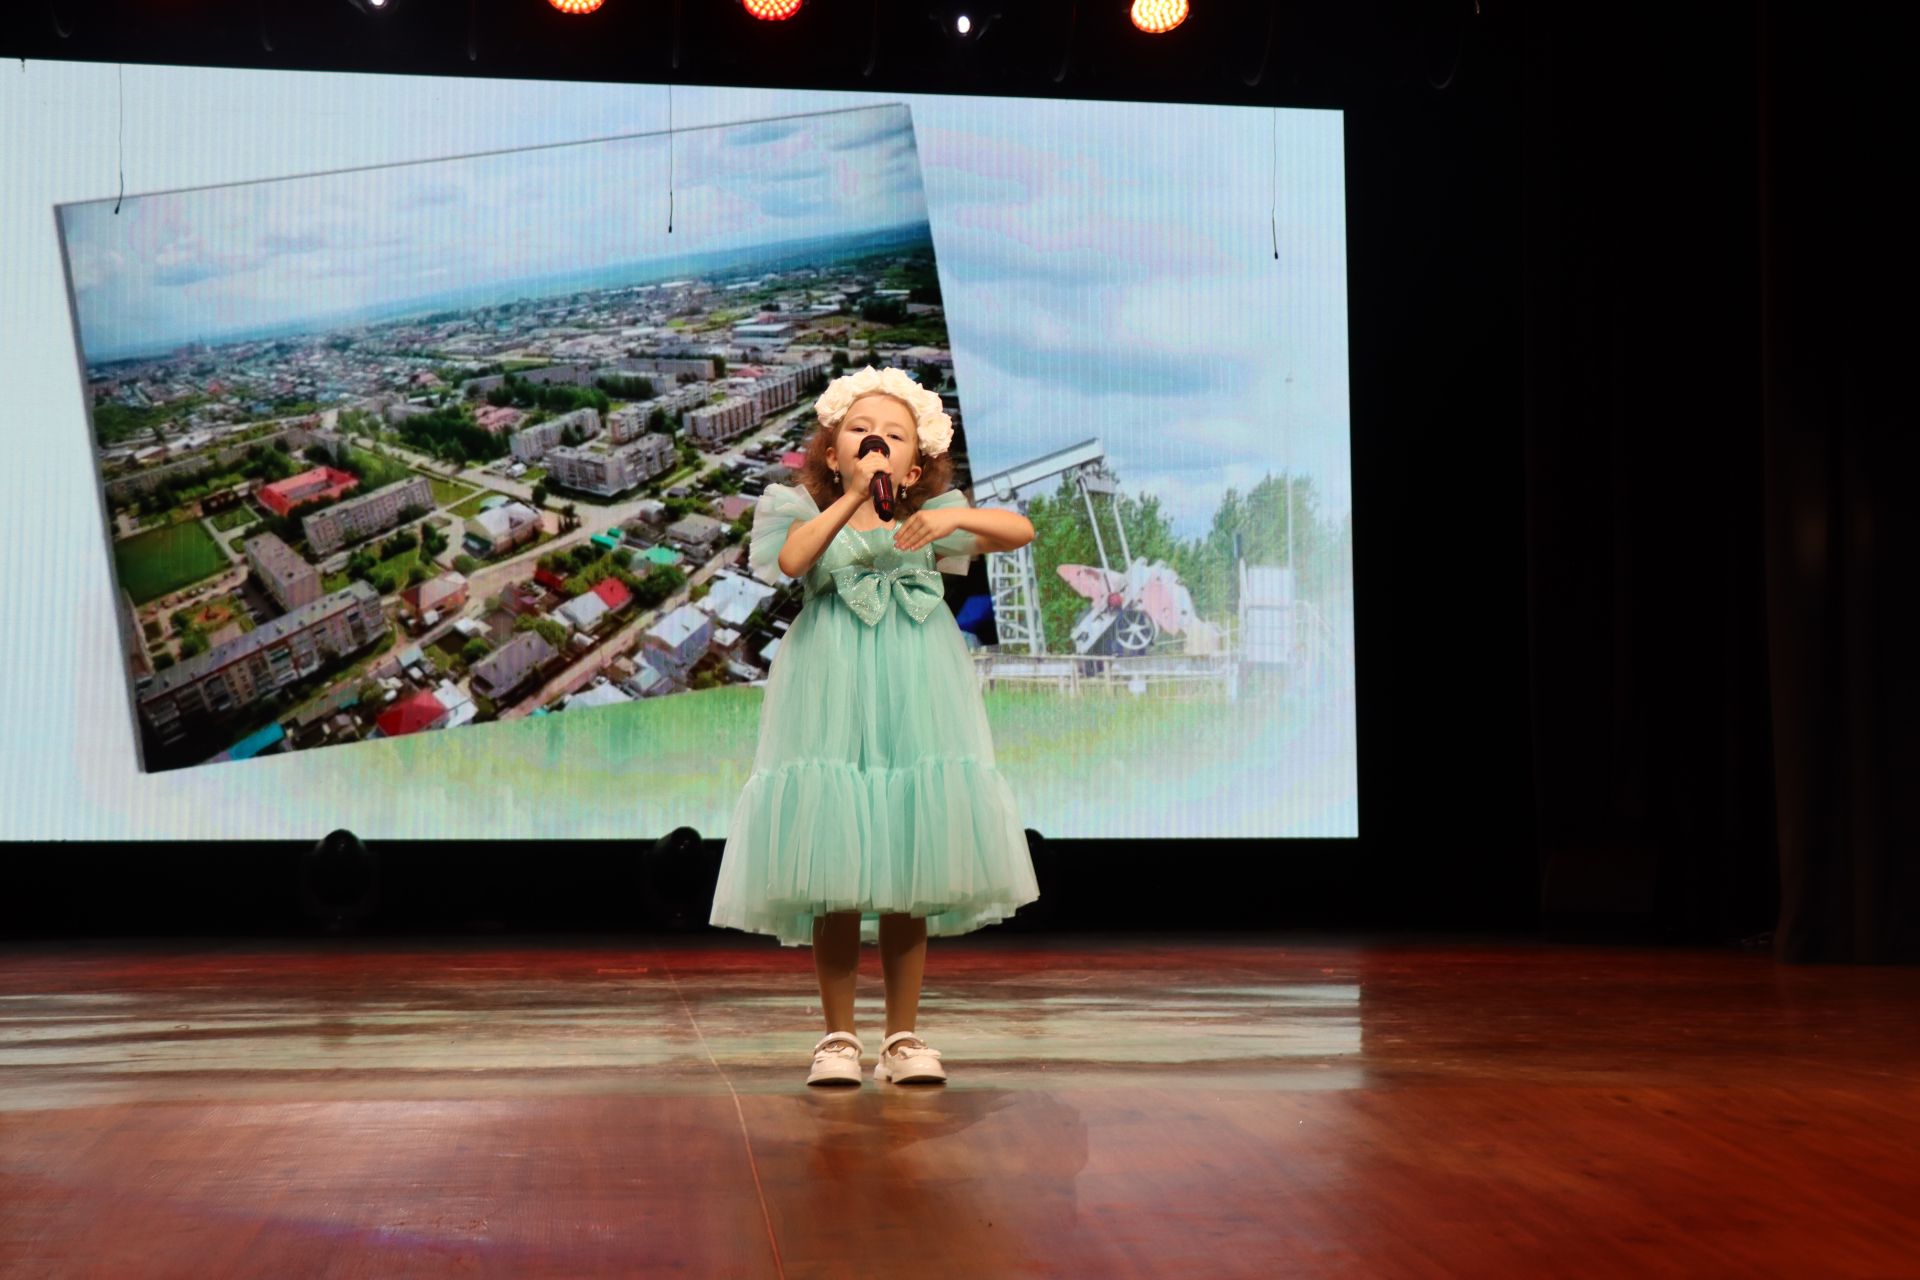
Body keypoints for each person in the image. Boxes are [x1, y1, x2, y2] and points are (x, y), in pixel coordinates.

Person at [708, 365, 1041, 1088]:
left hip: (917, 682)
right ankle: (837, 1038)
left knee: (907, 859)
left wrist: (954, 517)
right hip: (830, 682)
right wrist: (854, 498)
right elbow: (795, 561)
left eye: (894, 436)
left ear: (916, 461)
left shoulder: (930, 515)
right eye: (861, 432)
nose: (877, 444)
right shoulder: (799, 506)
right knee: (835, 857)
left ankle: (903, 1037)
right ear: (832, 452)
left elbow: (1020, 529)